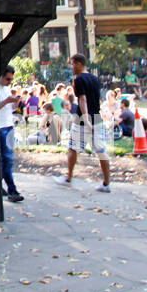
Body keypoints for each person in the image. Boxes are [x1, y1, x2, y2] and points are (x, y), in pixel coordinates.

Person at [57, 53, 111, 190]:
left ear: (79, 64)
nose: (71, 67)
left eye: (73, 64)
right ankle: (106, 183)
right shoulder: (94, 78)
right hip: (97, 117)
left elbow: (82, 99)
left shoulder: (79, 79)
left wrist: (86, 120)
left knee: (73, 149)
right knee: (101, 150)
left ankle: (68, 178)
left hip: (82, 119)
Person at [0, 66, 24, 203]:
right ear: (0, 76)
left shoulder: (6, 88)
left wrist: (15, 102)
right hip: (1, 127)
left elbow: (10, 109)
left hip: (8, 125)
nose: (9, 82)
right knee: (6, 158)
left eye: (11, 80)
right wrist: (8, 101)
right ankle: (11, 189)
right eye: (7, 79)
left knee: (7, 159)